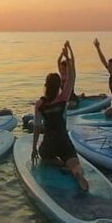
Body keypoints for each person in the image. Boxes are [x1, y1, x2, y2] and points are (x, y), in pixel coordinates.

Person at [31, 41, 89, 191]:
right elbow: (73, 76)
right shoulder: (64, 98)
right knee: (75, 164)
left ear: (45, 85)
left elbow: (37, 127)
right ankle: (77, 173)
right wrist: (68, 56)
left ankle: (59, 163)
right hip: (64, 141)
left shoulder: (40, 104)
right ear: (58, 86)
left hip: (49, 143)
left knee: (45, 157)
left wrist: (33, 149)